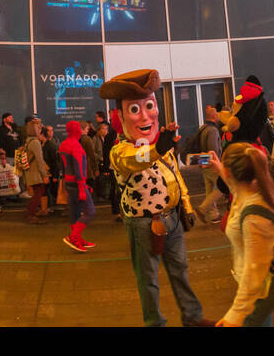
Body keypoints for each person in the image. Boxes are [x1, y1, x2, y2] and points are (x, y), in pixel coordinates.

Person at [103, 69, 211, 326]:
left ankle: (193, 318)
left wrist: (186, 205)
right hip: (143, 223)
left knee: (180, 271)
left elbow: (175, 176)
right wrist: (159, 148)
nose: (144, 116)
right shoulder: (120, 151)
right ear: (121, 116)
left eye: (149, 106)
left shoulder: (161, 146)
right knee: (148, 279)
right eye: (134, 109)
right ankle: (155, 323)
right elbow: (136, 161)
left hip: (171, 217)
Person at [206, 142, 274, 326]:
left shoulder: (254, 217)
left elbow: (255, 274)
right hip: (258, 289)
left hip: (261, 291)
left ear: (231, 173)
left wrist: (233, 317)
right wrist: (221, 168)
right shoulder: (247, 193)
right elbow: (237, 189)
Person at [59, 121, 96, 251]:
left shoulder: (63, 144)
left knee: (74, 212)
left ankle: (77, 237)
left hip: (69, 183)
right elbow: (79, 169)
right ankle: (74, 237)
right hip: (77, 184)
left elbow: (63, 167)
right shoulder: (75, 146)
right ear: (78, 131)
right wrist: (82, 187)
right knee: (90, 211)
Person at [192, 104, 226, 222]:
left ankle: (213, 215)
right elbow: (213, 149)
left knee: (210, 189)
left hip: (203, 161)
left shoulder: (203, 128)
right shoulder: (212, 130)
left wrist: (203, 163)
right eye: (217, 115)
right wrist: (214, 163)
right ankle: (202, 208)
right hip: (210, 163)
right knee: (224, 186)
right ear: (214, 116)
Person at [224, 75, 268, 146]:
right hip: (251, 140)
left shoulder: (251, 102)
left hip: (242, 139)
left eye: (247, 85)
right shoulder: (259, 102)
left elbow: (244, 117)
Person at [20, 119, 48, 224]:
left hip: (30, 171)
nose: (41, 129)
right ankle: (31, 214)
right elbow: (40, 160)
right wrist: (44, 175)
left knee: (38, 192)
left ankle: (30, 211)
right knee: (38, 193)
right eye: (39, 127)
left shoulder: (28, 141)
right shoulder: (36, 142)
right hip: (35, 172)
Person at [96, 121, 120, 220]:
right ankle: (117, 211)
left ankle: (117, 211)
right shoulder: (111, 136)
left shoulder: (110, 136)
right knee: (115, 189)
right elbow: (106, 153)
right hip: (115, 167)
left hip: (114, 167)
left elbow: (106, 153)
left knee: (115, 189)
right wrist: (106, 167)